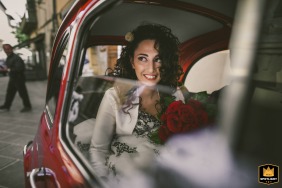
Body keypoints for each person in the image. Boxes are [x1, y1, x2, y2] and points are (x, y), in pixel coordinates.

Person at [89, 23, 185, 181]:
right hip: (124, 176)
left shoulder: (176, 94)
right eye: (142, 59)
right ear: (132, 62)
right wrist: (103, 181)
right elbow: (98, 150)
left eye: (158, 59)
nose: (151, 68)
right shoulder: (114, 96)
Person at [0, 44, 32, 112]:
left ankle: (27, 106)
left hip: (19, 78)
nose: (7, 50)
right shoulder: (9, 57)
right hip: (13, 78)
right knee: (10, 92)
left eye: (8, 49)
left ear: (11, 49)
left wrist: (7, 70)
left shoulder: (16, 57)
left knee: (22, 93)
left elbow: (19, 68)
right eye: (5, 49)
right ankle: (6, 105)